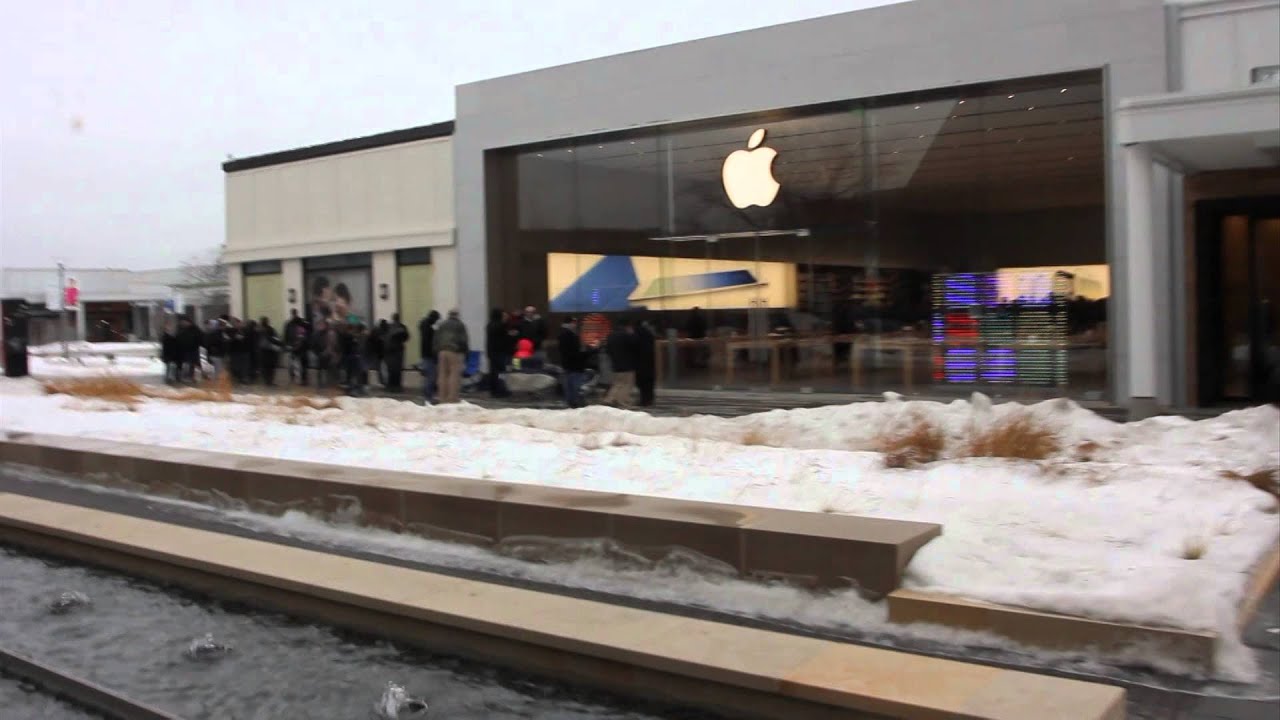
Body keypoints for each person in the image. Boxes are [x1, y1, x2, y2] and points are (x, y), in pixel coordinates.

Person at [433, 309, 469, 404]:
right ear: (457, 315)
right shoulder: (459, 325)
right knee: (454, 374)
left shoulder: (442, 324)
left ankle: (442, 397)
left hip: (441, 351)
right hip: (454, 351)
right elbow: (463, 340)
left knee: (442, 374)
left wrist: (436, 350)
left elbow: (436, 338)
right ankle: (452, 398)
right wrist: (465, 352)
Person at [602, 320, 638, 408]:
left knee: (617, 383)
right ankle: (622, 401)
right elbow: (634, 345)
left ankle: (609, 399)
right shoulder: (626, 335)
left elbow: (607, 350)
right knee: (627, 383)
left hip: (616, 363)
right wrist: (632, 334)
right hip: (627, 364)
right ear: (627, 326)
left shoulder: (610, 336)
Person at [558, 317, 587, 409]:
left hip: (566, 364)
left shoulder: (562, 334)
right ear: (570, 323)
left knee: (569, 386)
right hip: (575, 365)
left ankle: (571, 404)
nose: (575, 325)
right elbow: (576, 353)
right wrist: (590, 352)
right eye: (574, 323)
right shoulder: (571, 335)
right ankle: (577, 404)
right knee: (575, 386)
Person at [486, 308, 514, 398]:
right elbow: (505, 338)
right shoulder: (500, 326)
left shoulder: (489, 325)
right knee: (501, 372)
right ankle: (501, 390)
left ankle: (493, 390)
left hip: (491, 351)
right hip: (500, 352)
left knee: (493, 372)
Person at [384, 313, 410, 392]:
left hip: (389, 350)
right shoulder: (402, 327)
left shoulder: (388, 327)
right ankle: (397, 386)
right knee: (397, 369)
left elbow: (384, 337)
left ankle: (390, 386)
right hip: (398, 350)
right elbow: (406, 337)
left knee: (390, 369)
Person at [284, 309, 311, 385]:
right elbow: (286, 335)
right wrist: (287, 345)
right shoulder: (289, 324)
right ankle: (297, 378)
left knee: (302, 364)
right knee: (293, 364)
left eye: (294, 313)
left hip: (301, 347)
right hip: (294, 346)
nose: (294, 315)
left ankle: (303, 379)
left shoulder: (301, 323)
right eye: (293, 314)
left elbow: (306, 334)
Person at [418, 310, 440, 403]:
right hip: (429, 354)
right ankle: (428, 397)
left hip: (425, 354)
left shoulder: (424, 326)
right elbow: (430, 342)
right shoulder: (428, 328)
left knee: (429, 376)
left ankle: (428, 395)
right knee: (431, 376)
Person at [635, 319, 657, 407]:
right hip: (649, 362)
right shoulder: (650, 334)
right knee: (649, 383)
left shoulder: (636, 335)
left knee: (642, 384)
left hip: (639, 362)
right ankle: (650, 399)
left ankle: (644, 400)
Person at [177, 316, 203, 383]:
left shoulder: (195, 329)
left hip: (193, 350)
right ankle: (186, 377)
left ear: (188, 322)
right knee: (186, 364)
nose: (182, 323)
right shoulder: (181, 329)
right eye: (182, 322)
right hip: (184, 350)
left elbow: (201, 337)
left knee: (194, 364)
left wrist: (197, 344)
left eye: (184, 322)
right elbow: (179, 338)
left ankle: (193, 377)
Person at [257, 317, 281, 386]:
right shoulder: (270, 329)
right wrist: (278, 344)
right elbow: (275, 338)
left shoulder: (259, 330)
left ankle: (266, 381)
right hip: (270, 351)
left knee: (265, 367)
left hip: (262, 351)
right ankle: (269, 381)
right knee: (270, 367)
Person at [369, 320, 387, 386]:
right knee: (382, 367)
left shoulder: (376, 331)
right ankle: (383, 381)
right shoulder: (384, 332)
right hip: (382, 352)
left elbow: (371, 340)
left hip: (378, 352)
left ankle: (382, 381)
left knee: (380, 367)